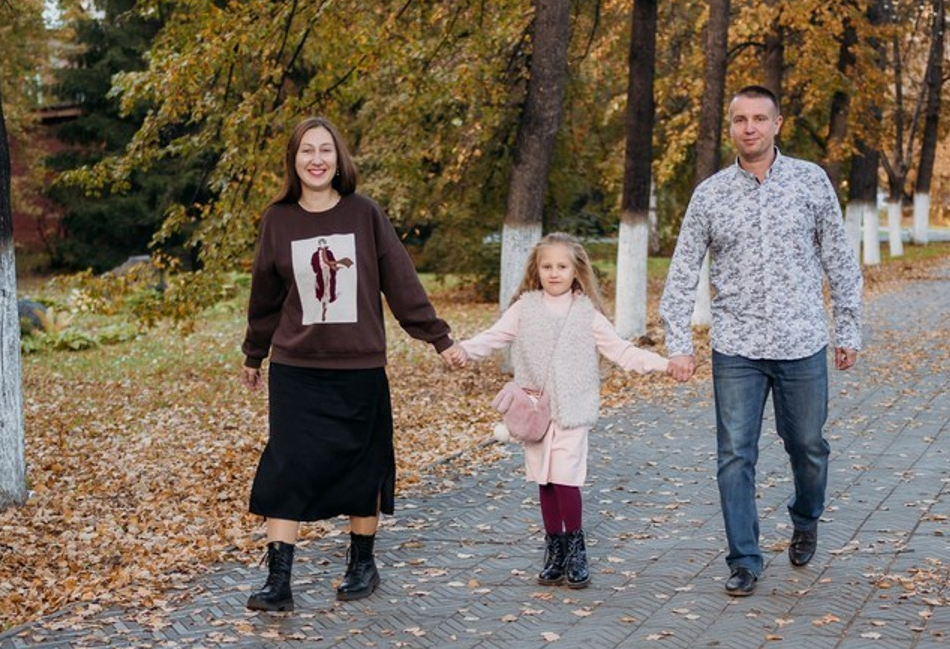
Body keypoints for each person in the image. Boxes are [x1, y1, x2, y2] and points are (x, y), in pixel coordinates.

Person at [241, 116, 460, 612]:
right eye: (306, 151)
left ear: (339, 160)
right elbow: (265, 297)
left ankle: (363, 562)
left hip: (359, 368)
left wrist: (438, 338)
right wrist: (254, 352)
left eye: (325, 150)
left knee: (365, 467)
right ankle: (279, 580)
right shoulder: (278, 220)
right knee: (287, 465)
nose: (316, 159)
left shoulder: (364, 214)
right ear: (293, 161)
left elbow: (400, 281)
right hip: (297, 369)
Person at [659, 84, 863, 598]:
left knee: (808, 446)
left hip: (802, 342)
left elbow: (839, 260)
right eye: (739, 119)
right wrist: (677, 342)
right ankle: (744, 559)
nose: (748, 127)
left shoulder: (810, 182)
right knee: (734, 455)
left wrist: (849, 329)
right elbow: (682, 272)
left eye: (758, 118)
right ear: (730, 127)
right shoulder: (710, 194)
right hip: (737, 347)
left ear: (777, 124)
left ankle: (805, 516)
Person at [447, 233, 673, 589]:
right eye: (547, 266)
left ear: (575, 270)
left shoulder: (587, 314)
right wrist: (462, 350)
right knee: (545, 480)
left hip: (573, 409)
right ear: (537, 270)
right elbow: (493, 337)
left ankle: (576, 549)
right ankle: (554, 549)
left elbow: (623, 351)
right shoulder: (525, 308)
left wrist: (664, 365)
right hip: (535, 411)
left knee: (567, 478)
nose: (554, 272)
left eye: (562, 266)